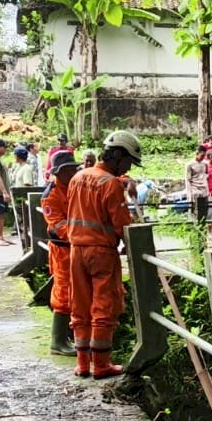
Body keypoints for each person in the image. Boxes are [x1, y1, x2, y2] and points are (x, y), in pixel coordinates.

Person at [66, 130, 140, 378]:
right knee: (104, 306)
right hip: (101, 253)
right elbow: (121, 223)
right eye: (128, 161)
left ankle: (82, 364)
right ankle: (100, 364)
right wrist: (130, 243)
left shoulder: (78, 177)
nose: (129, 167)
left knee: (80, 306)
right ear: (118, 155)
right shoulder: (110, 184)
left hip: (76, 250)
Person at [40, 152, 80, 356]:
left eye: (74, 169)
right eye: (68, 170)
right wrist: (83, 234)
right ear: (58, 172)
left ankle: (70, 336)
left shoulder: (75, 187)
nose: (73, 173)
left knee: (78, 290)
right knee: (63, 291)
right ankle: (58, 341)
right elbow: (58, 225)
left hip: (77, 246)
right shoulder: (51, 196)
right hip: (63, 249)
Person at [184, 145, 212, 236]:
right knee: (195, 215)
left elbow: (206, 174)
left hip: (204, 192)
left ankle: (203, 235)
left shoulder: (205, 164)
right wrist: (189, 195)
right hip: (195, 192)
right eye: (201, 155)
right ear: (197, 154)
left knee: (204, 215)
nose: (202, 157)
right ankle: (195, 235)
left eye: (204, 156)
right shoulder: (189, 164)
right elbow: (187, 180)